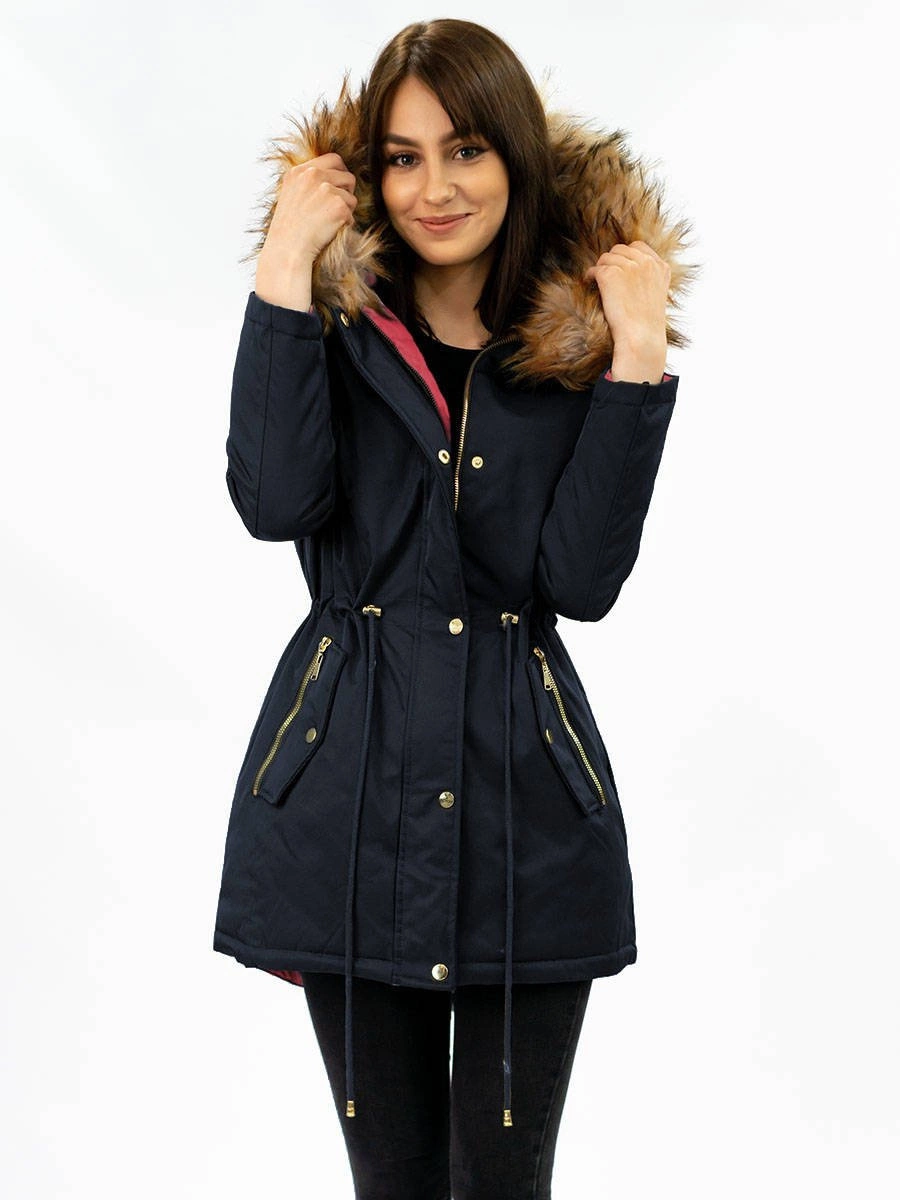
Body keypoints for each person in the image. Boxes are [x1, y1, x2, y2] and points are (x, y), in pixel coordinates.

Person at [213, 17, 696, 1199]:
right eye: (403, 157)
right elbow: (274, 502)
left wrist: (637, 356)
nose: (435, 188)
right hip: (348, 804)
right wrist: (283, 272)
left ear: (514, 156)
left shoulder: (571, 343)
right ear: (369, 174)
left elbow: (579, 584)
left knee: (503, 1181)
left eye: (466, 149)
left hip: (527, 810)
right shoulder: (331, 327)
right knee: (395, 1180)